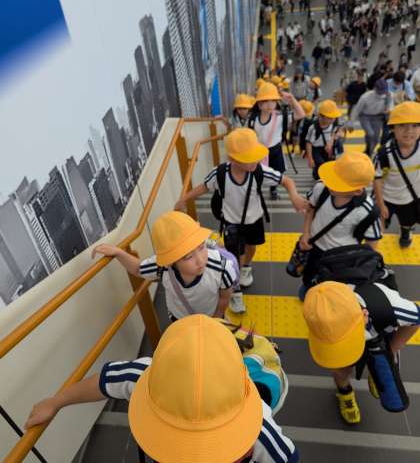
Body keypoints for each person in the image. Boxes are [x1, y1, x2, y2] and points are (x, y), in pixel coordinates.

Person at [26, 315, 300, 463]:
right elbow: (103, 382)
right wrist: (55, 402)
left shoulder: (260, 430)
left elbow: (105, 380)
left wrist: (57, 401)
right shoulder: (149, 378)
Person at [176, 128, 307, 294]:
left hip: (254, 220)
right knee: (235, 253)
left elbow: (286, 181)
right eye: (248, 158)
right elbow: (203, 187)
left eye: (255, 156)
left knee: (251, 247)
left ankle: (246, 266)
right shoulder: (220, 174)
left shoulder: (259, 171)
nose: (255, 161)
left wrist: (294, 196)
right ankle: (235, 280)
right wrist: (184, 199)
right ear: (232, 159)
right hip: (231, 221)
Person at [303, 281, 420, 424]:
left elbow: (416, 318)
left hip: (378, 333)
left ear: (364, 315)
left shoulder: (390, 306)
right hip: (359, 332)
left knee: (381, 364)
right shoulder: (321, 310)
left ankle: (374, 372)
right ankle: (345, 392)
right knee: (341, 370)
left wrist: (392, 349)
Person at [92, 211, 234, 321]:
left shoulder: (222, 268)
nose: (200, 260)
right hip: (180, 320)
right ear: (171, 261)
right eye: (188, 257)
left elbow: (224, 298)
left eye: (202, 247)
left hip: (213, 317)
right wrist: (118, 253)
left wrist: (214, 320)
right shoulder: (163, 268)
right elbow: (138, 269)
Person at [299, 152, 382, 295]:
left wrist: (358, 265)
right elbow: (310, 209)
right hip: (314, 246)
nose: (330, 183)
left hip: (341, 258)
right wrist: (306, 233)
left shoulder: (368, 211)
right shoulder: (322, 187)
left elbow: (371, 244)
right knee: (309, 276)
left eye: (337, 183)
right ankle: (308, 286)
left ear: (357, 191)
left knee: (332, 288)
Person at [374, 102, 420, 248]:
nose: (409, 131)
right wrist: (380, 203)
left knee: (407, 221)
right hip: (387, 197)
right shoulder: (384, 153)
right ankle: (375, 241)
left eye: (415, 125)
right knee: (379, 223)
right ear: (392, 128)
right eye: (402, 125)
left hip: (410, 197)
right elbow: (377, 178)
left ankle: (405, 232)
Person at [248, 83, 305, 198]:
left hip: (275, 150)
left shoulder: (280, 117)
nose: (270, 104)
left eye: (273, 101)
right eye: (266, 101)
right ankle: (257, 189)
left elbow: (301, 114)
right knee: (257, 171)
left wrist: (292, 99)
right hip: (259, 151)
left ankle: (273, 190)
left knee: (277, 172)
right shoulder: (253, 119)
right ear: (259, 104)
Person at [349, 78, 394, 157]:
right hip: (365, 116)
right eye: (380, 91)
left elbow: (391, 105)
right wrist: (351, 123)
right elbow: (357, 110)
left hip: (378, 117)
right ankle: (369, 152)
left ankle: (369, 151)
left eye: (384, 91)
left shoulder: (389, 95)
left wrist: (388, 109)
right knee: (370, 134)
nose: (382, 94)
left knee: (376, 139)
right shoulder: (365, 97)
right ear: (375, 88)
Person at [305, 99, 343, 179]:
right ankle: (318, 173)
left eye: (334, 117)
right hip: (316, 149)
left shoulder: (334, 123)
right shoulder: (313, 128)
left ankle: (324, 176)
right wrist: (310, 158)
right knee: (320, 164)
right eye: (330, 118)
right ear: (321, 116)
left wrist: (330, 143)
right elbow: (308, 143)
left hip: (328, 148)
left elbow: (338, 132)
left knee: (330, 164)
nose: (333, 120)